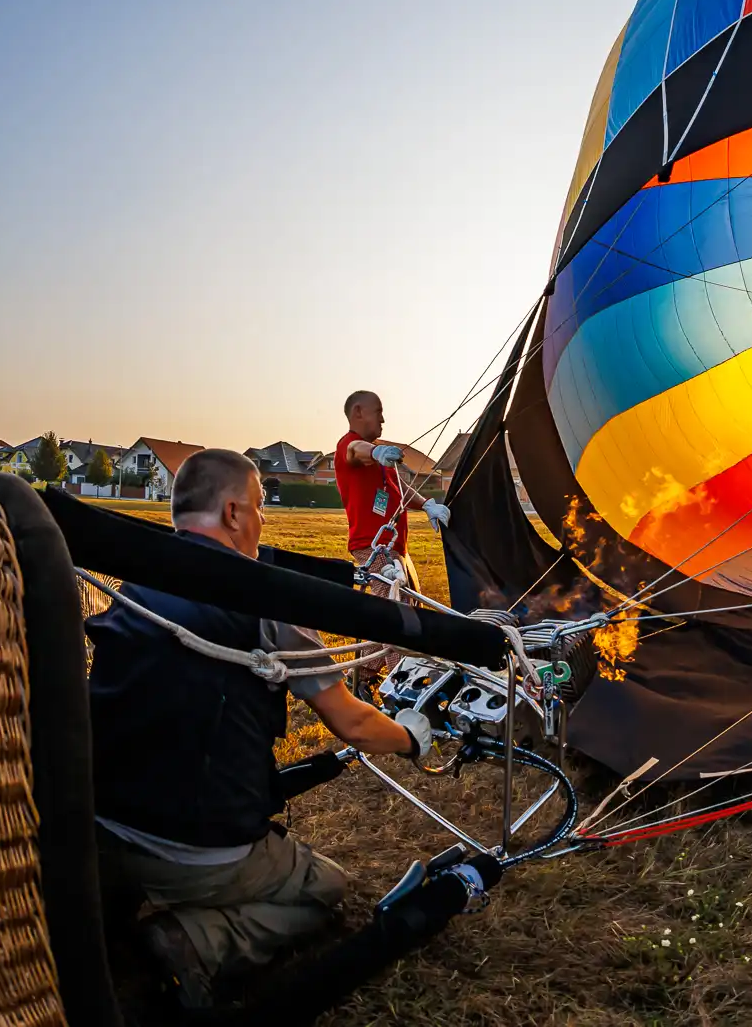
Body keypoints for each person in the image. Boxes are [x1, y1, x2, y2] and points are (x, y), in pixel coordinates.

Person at [86, 448, 489, 1007]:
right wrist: (411, 737)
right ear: (232, 513)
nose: (261, 520)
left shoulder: (133, 587)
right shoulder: (263, 600)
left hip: (98, 827)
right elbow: (352, 721)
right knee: (324, 888)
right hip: (199, 846)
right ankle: (195, 942)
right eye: (257, 507)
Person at [335, 390, 449, 594]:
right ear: (358, 412)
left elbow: (399, 487)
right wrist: (374, 451)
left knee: (409, 599)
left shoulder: (379, 460)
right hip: (373, 544)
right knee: (392, 597)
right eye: (378, 412)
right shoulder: (349, 443)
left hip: (393, 545)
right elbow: (355, 449)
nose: (382, 419)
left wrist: (427, 505)